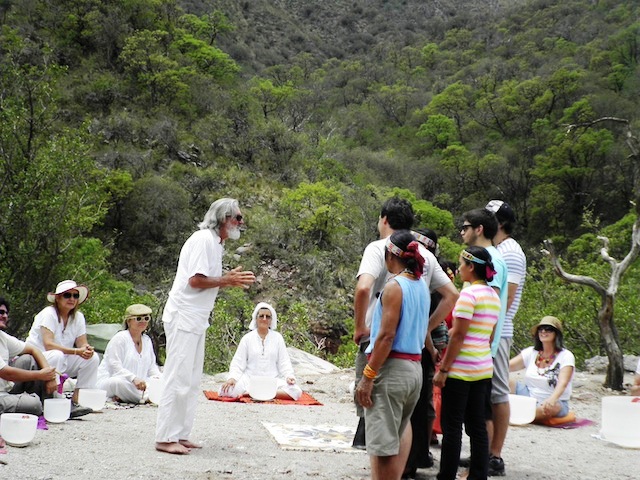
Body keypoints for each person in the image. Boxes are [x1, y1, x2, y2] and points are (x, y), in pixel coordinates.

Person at [353, 198, 458, 452]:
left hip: (381, 341)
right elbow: (451, 295)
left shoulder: (379, 248)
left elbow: (364, 288)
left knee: (376, 409)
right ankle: (404, 465)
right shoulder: (423, 254)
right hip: (413, 348)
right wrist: (426, 327)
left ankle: (380, 464)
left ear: (384, 219)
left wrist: (359, 328)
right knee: (403, 419)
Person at [155, 198, 256, 455]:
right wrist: (227, 280)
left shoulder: (215, 244)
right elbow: (195, 281)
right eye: (238, 218)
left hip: (197, 318)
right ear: (224, 218)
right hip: (184, 316)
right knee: (177, 376)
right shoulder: (202, 240)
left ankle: (180, 434)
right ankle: (165, 437)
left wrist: (226, 280)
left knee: (190, 380)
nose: (241, 223)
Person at [355, 230, 430, 480]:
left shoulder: (394, 287)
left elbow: (386, 337)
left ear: (390, 256)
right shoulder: (420, 285)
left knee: (383, 446)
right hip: (414, 369)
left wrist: (368, 375)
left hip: (392, 370)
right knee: (398, 431)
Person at [433, 246, 500, 480]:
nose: (459, 268)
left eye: (461, 264)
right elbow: (488, 335)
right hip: (483, 369)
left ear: (471, 267)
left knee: (452, 429)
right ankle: (479, 475)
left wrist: (443, 369)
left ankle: (447, 475)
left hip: (460, 372)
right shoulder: (493, 296)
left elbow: (459, 336)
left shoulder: (468, 296)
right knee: (478, 426)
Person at [403, 228, 458, 479]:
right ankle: (420, 454)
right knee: (423, 401)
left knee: (412, 405)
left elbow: (426, 315)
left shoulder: (417, 279)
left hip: (421, 345)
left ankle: (409, 461)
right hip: (428, 344)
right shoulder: (435, 279)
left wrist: (428, 335)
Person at [459, 208, 509, 476]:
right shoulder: (488, 257)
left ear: (479, 229)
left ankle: (488, 458)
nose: (462, 232)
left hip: (481, 347)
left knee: (482, 408)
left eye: (465, 226)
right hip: (479, 346)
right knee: (478, 409)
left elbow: (491, 304)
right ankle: (482, 457)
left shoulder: (492, 261)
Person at [485, 200, 526, 472]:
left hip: (499, 331)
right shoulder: (500, 249)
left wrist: (488, 331)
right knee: (488, 393)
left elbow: (507, 299)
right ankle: (485, 451)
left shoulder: (510, 252)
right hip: (492, 331)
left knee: (498, 392)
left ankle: (495, 455)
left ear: (500, 223)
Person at [25, 280, 98, 417]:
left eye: (75, 296)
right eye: (67, 295)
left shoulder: (78, 317)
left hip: (60, 360)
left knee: (92, 358)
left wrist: (86, 349)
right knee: (56, 355)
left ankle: (78, 400)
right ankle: (55, 399)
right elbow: (48, 344)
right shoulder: (49, 313)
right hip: (38, 359)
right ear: (58, 298)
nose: (72, 299)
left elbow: (82, 343)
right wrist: (77, 351)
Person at [219, 302, 302, 400]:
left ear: (271, 320)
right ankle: (260, 393)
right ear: (256, 319)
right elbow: (238, 362)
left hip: (271, 380)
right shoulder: (247, 338)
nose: (264, 319)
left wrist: (289, 376)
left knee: (296, 391)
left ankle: (254, 393)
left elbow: (284, 362)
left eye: (268, 317)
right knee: (225, 390)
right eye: (261, 316)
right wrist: (232, 378)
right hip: (250, 380)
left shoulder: (277, 338)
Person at [509, 316, 575, 422]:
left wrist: (552, 399)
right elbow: (507, 366)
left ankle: (515, 415)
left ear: (556, 334)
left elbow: (563, 383)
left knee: (551, 408)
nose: (543, 331)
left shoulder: (566, 356)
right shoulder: (531, 352)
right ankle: (516, 413)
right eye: (541, 329)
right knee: (506, 381)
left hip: (553, 401)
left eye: (548, 329)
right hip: (528, 396)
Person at [0, 297, 58, 415]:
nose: (5, 316)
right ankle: (43, 406)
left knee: (28, 360)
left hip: (4, 389)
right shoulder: (49, 314)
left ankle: (53, 403)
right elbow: (6, 372)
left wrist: (50, 377)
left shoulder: (2, 336)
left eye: (6, 313)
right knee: (34, 405)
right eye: (1, 312)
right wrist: (41, 375)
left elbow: (33, 349)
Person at [96, 304, 161, 404]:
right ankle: (149, 397)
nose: (143, 321)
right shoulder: (120, 338)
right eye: (138, 318)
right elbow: (115, 366)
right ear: (128, 321)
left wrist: (159, 379)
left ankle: (143, 396)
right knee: (118, 383)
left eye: (146, 318)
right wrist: (133, 378)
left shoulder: (147, 340)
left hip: (140, 384)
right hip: (116, 381)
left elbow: (152, 367)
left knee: (162, 379)